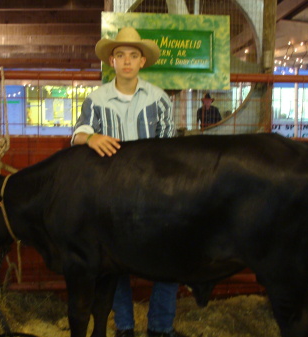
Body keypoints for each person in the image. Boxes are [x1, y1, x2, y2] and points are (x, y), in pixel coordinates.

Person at [71, 27, 183, 337]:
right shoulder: (96, 99)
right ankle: (124, 326)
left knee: (168, 257)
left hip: (153, 195)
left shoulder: (159, 99)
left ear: (143, 61)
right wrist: (91, 137)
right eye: (120, 55)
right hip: (111, 197)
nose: (127, 61)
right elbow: (77, 134)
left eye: (133, 55)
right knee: (113, 264)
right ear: (112, 60)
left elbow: (169, 146)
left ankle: (160, 327)